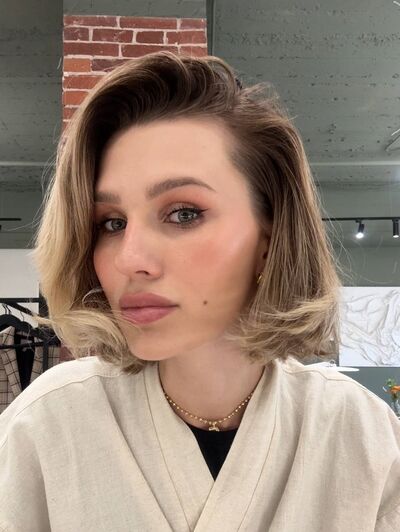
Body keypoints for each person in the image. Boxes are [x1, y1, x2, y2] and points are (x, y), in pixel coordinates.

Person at [0, 51, 399, 531]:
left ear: (269, 240)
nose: (128, 259)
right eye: (112, 223)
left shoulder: (362, 434)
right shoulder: (47, 423)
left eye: (184, 213)